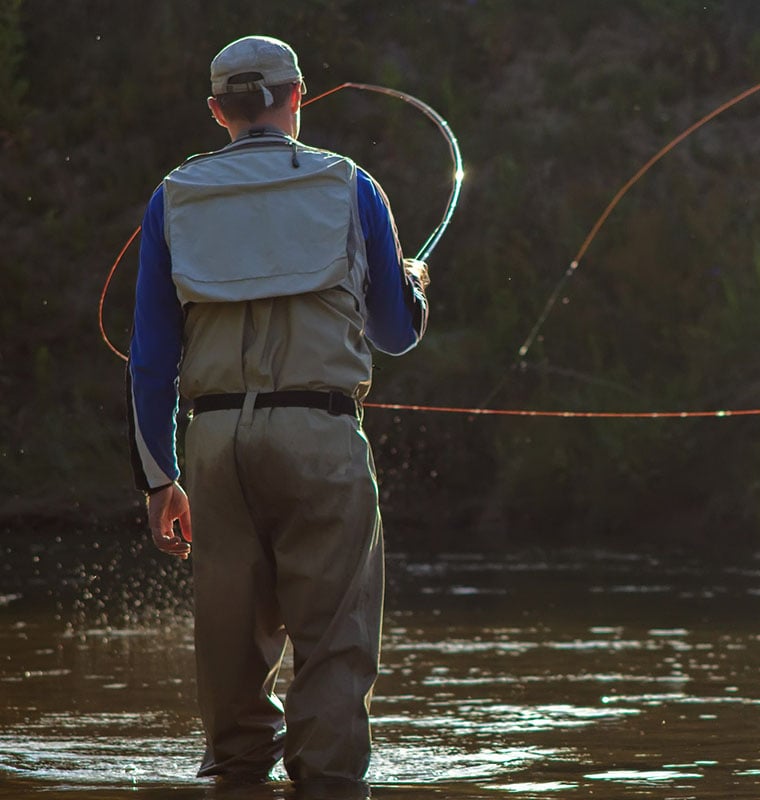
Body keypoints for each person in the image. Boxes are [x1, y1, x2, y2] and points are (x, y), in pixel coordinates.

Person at [126, 35, 429, 795]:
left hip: (215, 443)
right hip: (321, 434)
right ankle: (326, 780)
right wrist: (415, 282)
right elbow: (396, 332)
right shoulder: (351, 185)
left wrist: (159, 478)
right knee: (333, 637)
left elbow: (150, 359)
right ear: (298, 96)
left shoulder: (174, 195)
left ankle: (235, 774)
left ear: (216, 110)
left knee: (229, 639)